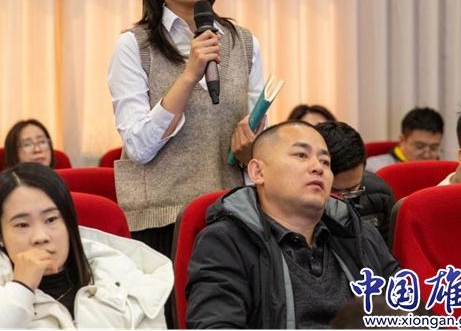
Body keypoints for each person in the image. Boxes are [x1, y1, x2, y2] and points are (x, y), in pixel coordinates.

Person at [107, 0, 265, 259]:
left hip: (233, 214)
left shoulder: (244, 43)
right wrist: (189, 75)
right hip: (162, 222)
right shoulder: (134, 46)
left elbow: (256, 140)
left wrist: (251, 151)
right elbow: (139, 147)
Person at [185, 121, 399, 329]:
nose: (318, 167)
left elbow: (406, 308)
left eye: (325, 162)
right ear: (258, 172)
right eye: (301, 155)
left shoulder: (357, 232)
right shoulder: (226, 241)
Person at [0, 163, 173, 328]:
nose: (40, 236)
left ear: (69, 223)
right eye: (22, 225)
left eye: (51, 219)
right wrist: (20, 288)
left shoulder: (119, 276)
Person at [316, 121, 395, 244]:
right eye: (333, 192)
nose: (342, 201)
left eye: (352, 190)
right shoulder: (293, 202)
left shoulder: (379, 194)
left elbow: (386, 250)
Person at [366, 107, 444, 172]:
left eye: (434, 148)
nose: (427, 155)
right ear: (402, 140)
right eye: (419, 146)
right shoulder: (376, 169)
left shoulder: (444, 171)